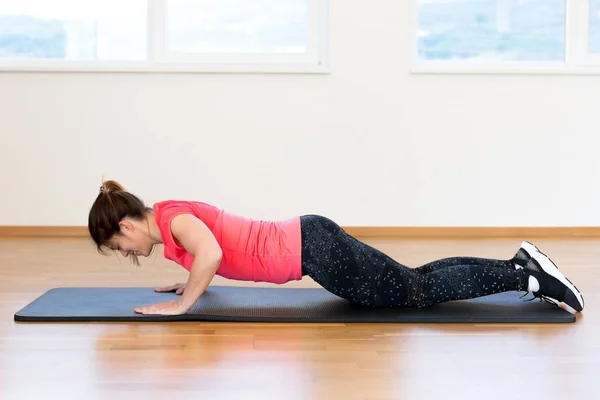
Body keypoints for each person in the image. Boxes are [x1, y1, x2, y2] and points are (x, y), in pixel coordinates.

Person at [88, 180, 585, 316]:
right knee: (413, 278)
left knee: (414, 292)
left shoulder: (173, 220)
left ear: (125, 225)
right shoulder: (169, 219)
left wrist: (183, 304)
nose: (125, 253)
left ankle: (528, 277)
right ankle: (521, 265)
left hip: (312, 249)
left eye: (118, 244)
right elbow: (210, 253)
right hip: (311, 238)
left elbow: (213, 254)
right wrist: (188, 281)